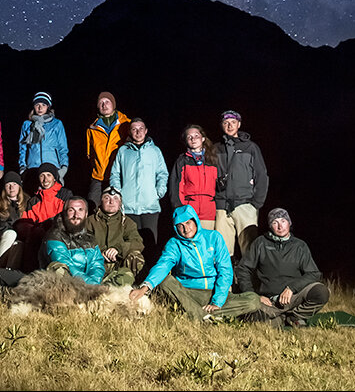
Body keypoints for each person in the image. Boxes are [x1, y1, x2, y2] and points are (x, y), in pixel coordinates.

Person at [129, 205, 261, 322]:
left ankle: (200, 314)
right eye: (180, 226)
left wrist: (217, 301)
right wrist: (145, 288)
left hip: (212, 291)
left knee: (254, 300)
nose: (186, 229)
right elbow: (162, 266)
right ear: (176, 228)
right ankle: (204, 316)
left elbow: (225, 270)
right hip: (188, 293)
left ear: (195, 221)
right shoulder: (174, 244)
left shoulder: (213, 237)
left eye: (188, 223)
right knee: (165, 280)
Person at [235, 208, 330, 326]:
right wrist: (253, 295)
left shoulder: (299, 246)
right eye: (275, 223)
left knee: (321, 292)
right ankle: (280, 318)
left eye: (283, 221)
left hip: (294, 298)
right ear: (270, 226)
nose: (280, 226)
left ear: (289, 223)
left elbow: (314, 273)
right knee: (252, 319)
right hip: (269, 302)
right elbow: (243, 269)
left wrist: (291, 288)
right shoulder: (260, 243)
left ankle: (295, 316)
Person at [214, 110, 268, 258]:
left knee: (250, 249)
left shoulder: (250, 147)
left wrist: (257, 202)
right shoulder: (215, 148)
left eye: (233, 122)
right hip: (222, 205)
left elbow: (262, 175)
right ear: (221, 125)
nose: (229, 125)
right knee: (223, 251)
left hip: (245, 204)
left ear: (239, 124)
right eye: (226, 123)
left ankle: (250, 281)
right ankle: (227, 281)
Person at [109, 118, 168, 254]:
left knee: (151, 244)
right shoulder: (123, 151)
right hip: (128, 206)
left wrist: (158, 192)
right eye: (134, 129)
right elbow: (115, 174)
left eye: (141, 128)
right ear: (130, 132)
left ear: (146, 131)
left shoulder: (155, 151)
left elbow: (162, 173)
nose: (138, 132)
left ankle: (150, 273)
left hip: (150, 206)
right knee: (131, 244)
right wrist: (118, 194)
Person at [87, 186, 144, 286]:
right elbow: (83, 244)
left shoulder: (127, 223)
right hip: (98, 265)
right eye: (107, 198)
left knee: (135, 256)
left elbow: (137, 242)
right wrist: (99, 254)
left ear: (120, 204)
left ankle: (132, 287)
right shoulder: (90, 221)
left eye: (115, 199)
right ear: (101, 201)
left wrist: (118, 249)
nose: (111, 202)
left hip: (120, 265)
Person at [41, 196, 105, 284]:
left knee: (124, 273)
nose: (76, 215)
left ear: (86, 214)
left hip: (92, 283)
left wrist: (95, 282)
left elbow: (97, 264)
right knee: (60, 269)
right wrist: (91, 286)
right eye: (71, 210)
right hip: (64, 284)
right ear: (65, 213)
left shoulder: (89, 236)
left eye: (80, 210)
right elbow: (66, 265)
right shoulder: (55, 236)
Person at [168, 124, 217, 228]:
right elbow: (176, 187)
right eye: (189, 137)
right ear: (186, 141)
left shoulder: (213, 159)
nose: (193, 139)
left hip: (209, 211)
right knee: (190, 243)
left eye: (196, 136)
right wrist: (181, 210)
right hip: (189, 211)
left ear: (203, 138)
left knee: (206, 242)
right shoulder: (182, 161)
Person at [86, 91, 130, 208]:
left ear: (113, 105)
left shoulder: (126, 124)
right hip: (99, 176)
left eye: (107, 102)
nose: (104, 105)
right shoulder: (92, 128)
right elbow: (89, 153)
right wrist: (96, 165)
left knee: (119, 208)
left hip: (120, 175)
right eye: (101, 103)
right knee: (92, 207)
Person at [18, 91, 69, 180]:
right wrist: (22, 166)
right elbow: (22, 147)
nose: (40, 107)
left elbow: (62, 147)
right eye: (37, 104)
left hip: (52, 166)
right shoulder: (27, 124)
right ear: (34, 106)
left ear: (48, 106)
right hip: (33, 167)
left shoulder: (56, 123)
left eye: (43, 105)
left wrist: (64, 166)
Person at [0, 171, 29, 269]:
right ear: (4, 188)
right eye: (8, 185)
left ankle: (8, 275)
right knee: (10, 234)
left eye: (14, 184)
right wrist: (8, 229)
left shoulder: (27, 203)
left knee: (18, 245)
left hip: (18, 240)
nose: (11, 187)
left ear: (19, 186)